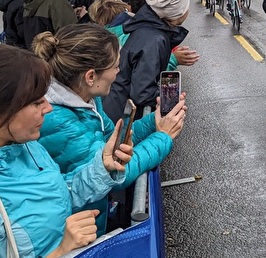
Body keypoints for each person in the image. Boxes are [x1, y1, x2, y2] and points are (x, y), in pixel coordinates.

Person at [33, 24, 187, 235]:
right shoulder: (59, 121)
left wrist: (155, 120)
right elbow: (114, 171)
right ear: (90, 77)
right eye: (115, 66)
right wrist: (162, 137)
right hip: (75, 232)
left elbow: (109, 141)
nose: (119, 71)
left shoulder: (84, 96)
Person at [0, 45, 133, 258]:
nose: (48, 107)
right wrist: (61, 249)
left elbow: (60, 192)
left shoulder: (27, 146)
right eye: (36, 102)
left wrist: (103, 166)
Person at [102, 0, 190, 122]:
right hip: (122, 116)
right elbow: (142, 92)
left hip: (115, 103)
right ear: (176, 13)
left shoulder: (145, 27)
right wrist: (168, 96)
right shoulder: (154, 39)